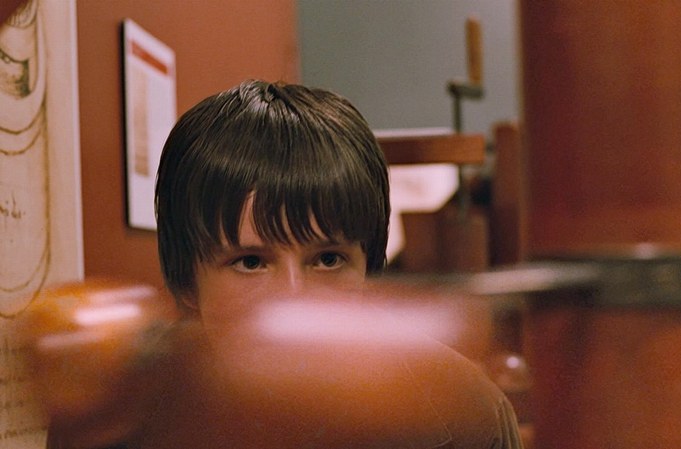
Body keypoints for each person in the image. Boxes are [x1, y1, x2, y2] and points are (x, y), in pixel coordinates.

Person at [139, 80, 519, 448]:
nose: (295, 301)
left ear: (368, 269)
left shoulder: (466, 417)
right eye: (251, 263)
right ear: (188, 282)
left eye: (328, 259)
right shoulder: (127, 420)